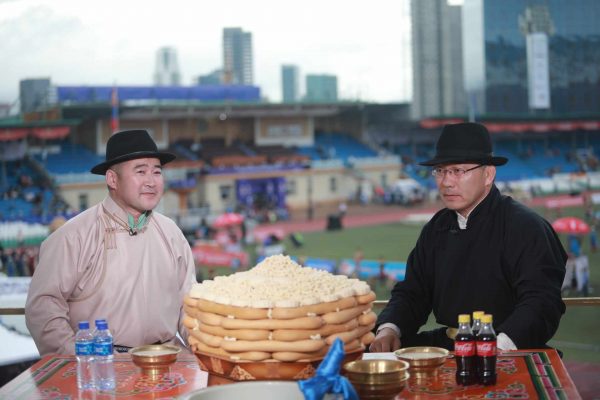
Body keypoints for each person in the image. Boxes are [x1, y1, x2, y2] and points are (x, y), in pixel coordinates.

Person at [370, 123, 566, 353]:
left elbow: (542, 302)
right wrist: (389, 330)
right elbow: (413, 292)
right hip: (450, 342)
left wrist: (497, 346)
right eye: (440, 170)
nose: (446, 182)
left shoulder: (526, 226)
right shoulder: (436, 228)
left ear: (488, 174)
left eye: (458, 171)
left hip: (509, 345)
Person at [26, 130, 197, 355]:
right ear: (112, 179)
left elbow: (190, 304)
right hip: (101, 362)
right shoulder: (73, 236)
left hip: (168, 358)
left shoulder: (171, 232)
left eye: (157, 172)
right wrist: (81, 356)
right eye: (140, 171)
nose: (151, 182)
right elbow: (43, 308)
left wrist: (203, 345)